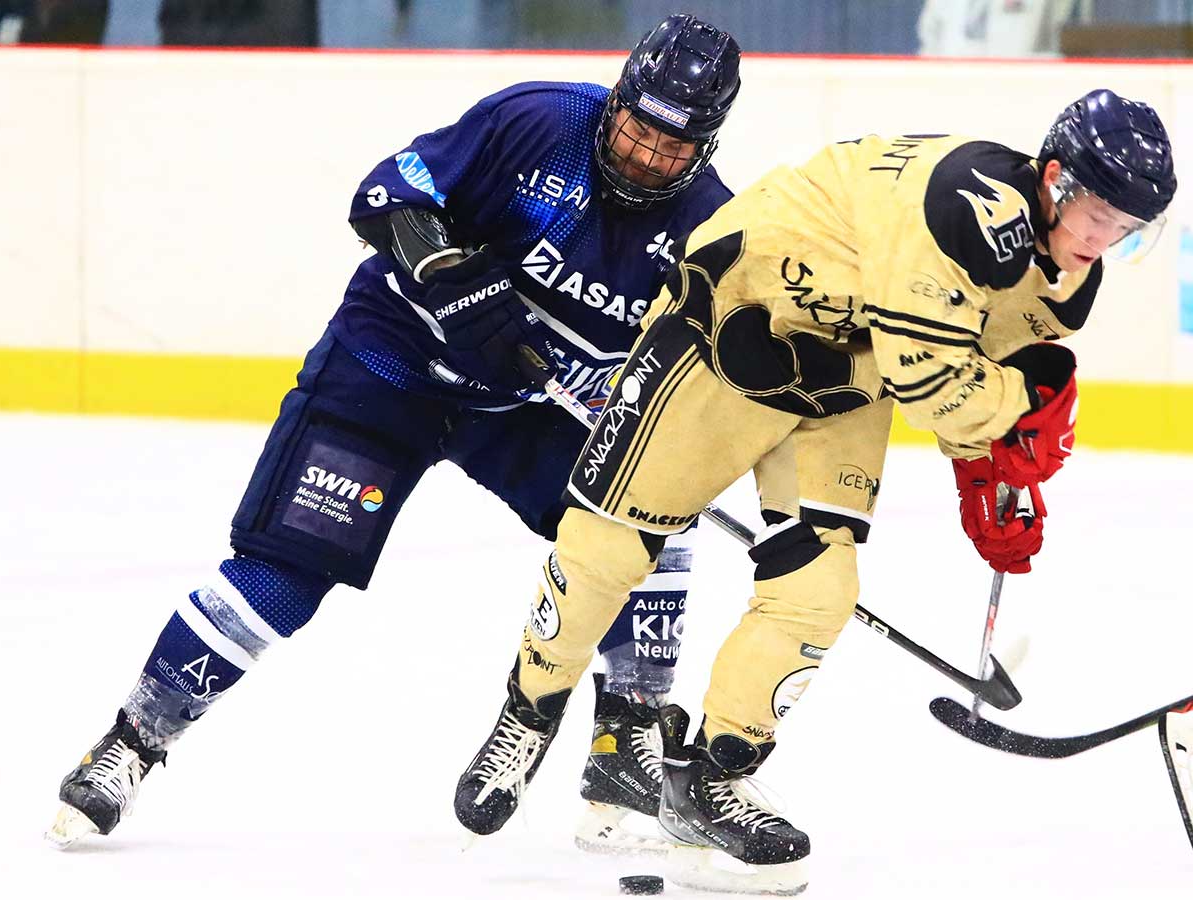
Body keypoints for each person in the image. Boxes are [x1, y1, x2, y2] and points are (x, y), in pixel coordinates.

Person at [47, 14, 741, 853]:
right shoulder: (539, 121)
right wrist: (451, 275)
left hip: (523, 409)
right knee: (285, 574)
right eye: (639, 129)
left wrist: (629, 402)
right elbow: (386, 195)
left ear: (708, 142)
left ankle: (619, 746)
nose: (647, 157)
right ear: (620, 97)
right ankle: (131, 742)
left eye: (677, 145)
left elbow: (684, 372)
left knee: (654, 525)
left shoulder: (710, 226)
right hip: (389, 369)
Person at [452, 89, 1175, 893]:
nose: (1103, 240)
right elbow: (935, 376)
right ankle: (530, 707)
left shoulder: (1068, 279)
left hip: (845, 376)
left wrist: (988, 474)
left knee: (819, 586)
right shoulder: (967, 205)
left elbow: (979, 364)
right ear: (1054, 179)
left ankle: (710, 778)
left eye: (1126, 228)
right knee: (607, 546)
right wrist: (1018, 414)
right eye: (1100, 214)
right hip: (735, 325)